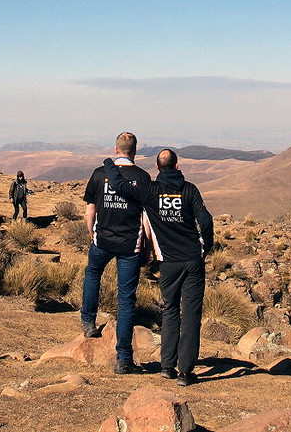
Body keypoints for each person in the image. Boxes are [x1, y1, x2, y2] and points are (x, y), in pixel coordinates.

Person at [103, 148, 213, 387]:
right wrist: (207, 246)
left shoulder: (151, 191)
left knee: (170, 310)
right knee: (191, 315)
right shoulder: (189, 190)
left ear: (157, 167)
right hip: (193, 260)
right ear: (176, 166)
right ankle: (185, 372)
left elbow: (120, 186)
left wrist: (109, 165)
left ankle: (167, 366)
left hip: (169, 262)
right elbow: (205, 220)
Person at [81, 132, 152, 374]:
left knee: (92, 274)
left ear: (116, 149)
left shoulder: (100, 174)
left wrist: (91, 231)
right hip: (130, 245)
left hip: (102, 240)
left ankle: (88, 322)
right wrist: (149, 247)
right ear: (135, 151)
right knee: (126, 300)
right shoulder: (142, 178)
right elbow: (146, 216)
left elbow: (90, 207)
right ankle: (123, 359)